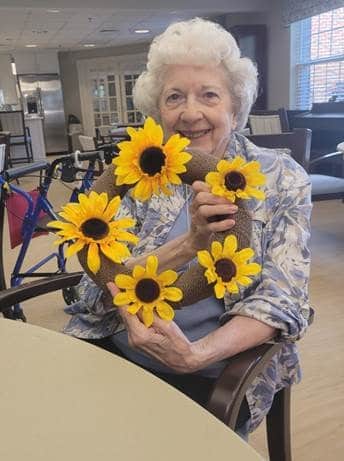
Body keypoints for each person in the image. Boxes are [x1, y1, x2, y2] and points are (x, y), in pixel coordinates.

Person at [64, 18, 312, 438]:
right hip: (116, 347)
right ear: (158, 110)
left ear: (235, 108)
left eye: (209, 95)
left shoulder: (281, 177)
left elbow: (283, 300)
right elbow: (94, 292)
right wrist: (187, 245)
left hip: (217, 367)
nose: (190, 112)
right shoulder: (138, 176)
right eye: (174, 96)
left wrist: (195, 355)